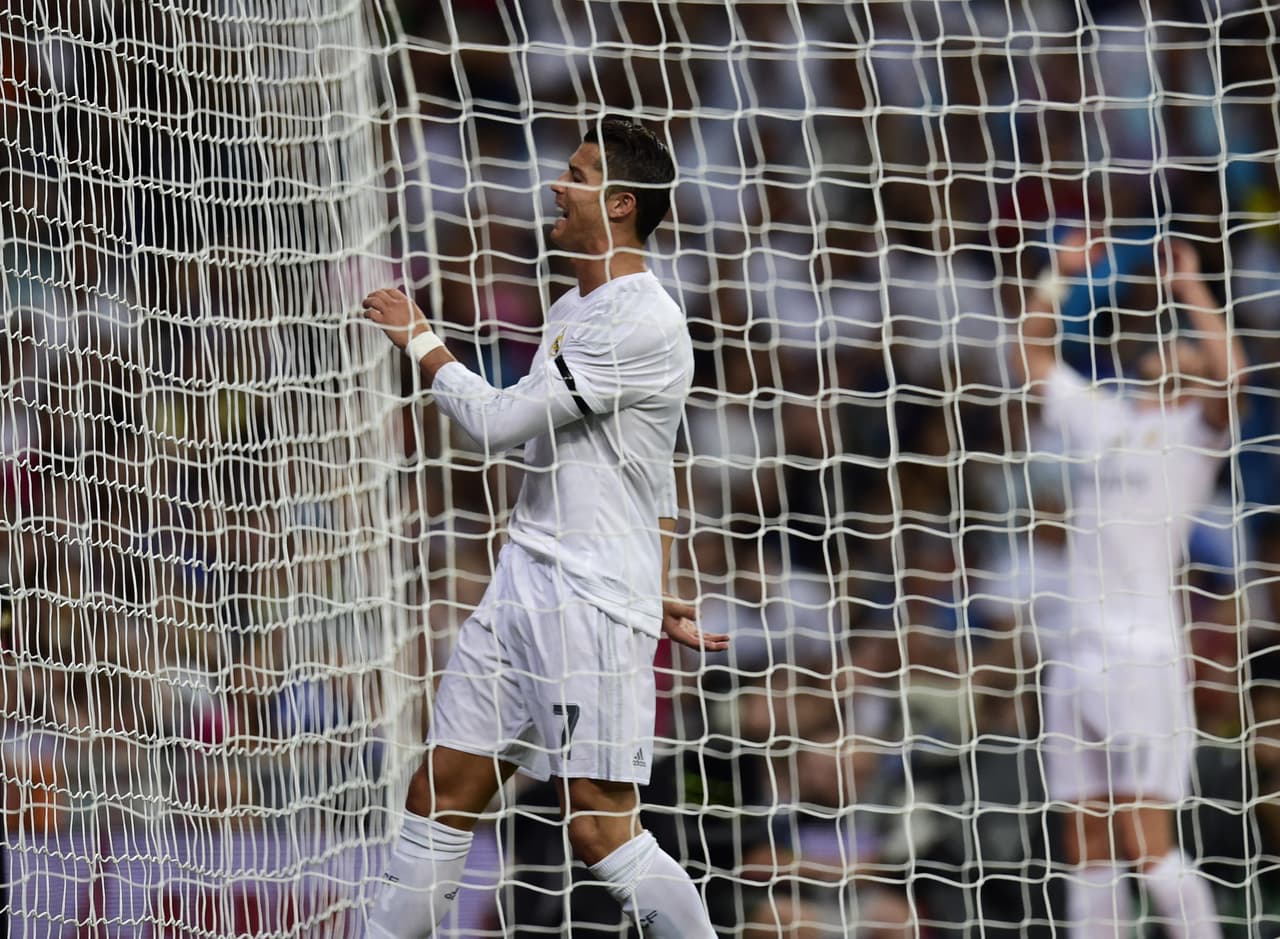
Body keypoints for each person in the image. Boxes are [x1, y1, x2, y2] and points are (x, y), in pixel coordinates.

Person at [361, 115, 727, 939]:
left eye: (578, 172)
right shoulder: (573, 302)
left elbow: (496, 424)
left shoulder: (643, 321)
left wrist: (416, 336)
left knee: (598, 826)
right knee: (441, 794)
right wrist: (662, 580)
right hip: (528, 576)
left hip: (590, 598)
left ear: (622, 203)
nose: (557, 184)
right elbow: (650, 466)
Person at [1012, 230, 1243, 939]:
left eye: (1189, 347)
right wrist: (1060, 276)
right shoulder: (1105, 417)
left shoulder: (1193, 437)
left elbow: (1235, 379)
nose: (1175, 347)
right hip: (1076, 647)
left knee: (1147, 842)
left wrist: (1192, 289)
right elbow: (1033, 356)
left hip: (1143, 651)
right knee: (1085, 844)